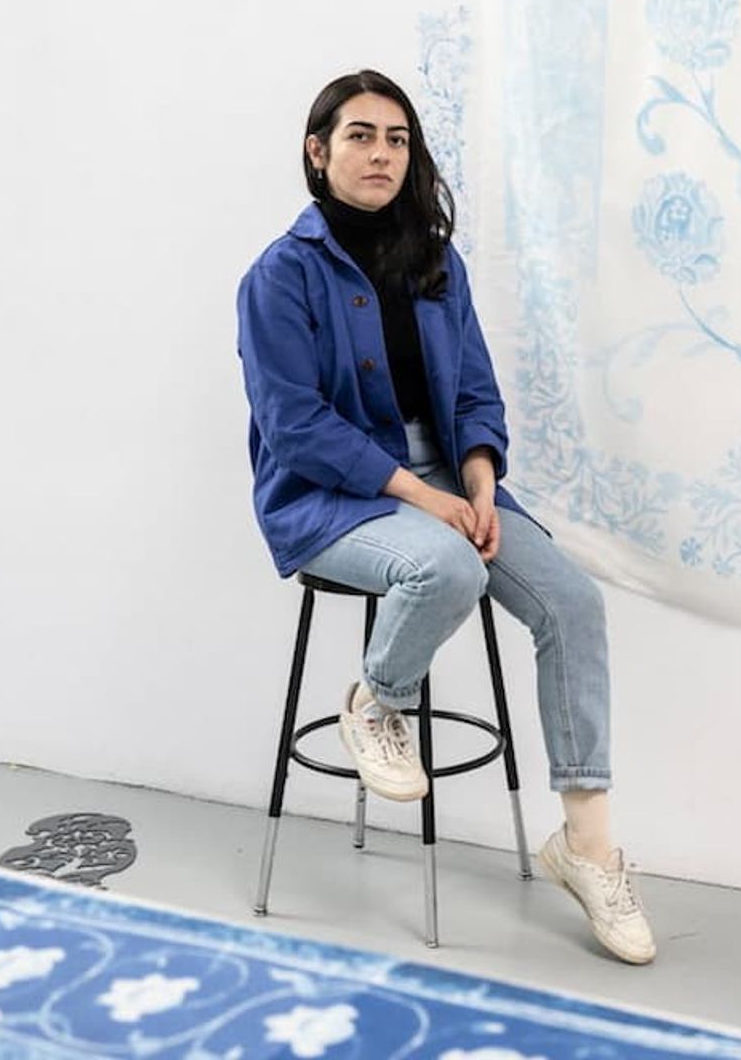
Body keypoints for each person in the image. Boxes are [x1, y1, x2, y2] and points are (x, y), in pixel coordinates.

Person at [235, 69, 656, 965]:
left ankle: (586, 846)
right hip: (330, 496)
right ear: (318, 152)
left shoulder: (434, 260)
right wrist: (425, 500)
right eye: (359, 136)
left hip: (445, 482)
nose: (381, 153)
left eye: (397, 138)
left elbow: (471, 390)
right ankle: (376, 700)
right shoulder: (279, 276)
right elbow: (294, 426)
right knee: (447, 568)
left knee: (573, 603)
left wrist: (474, 478)